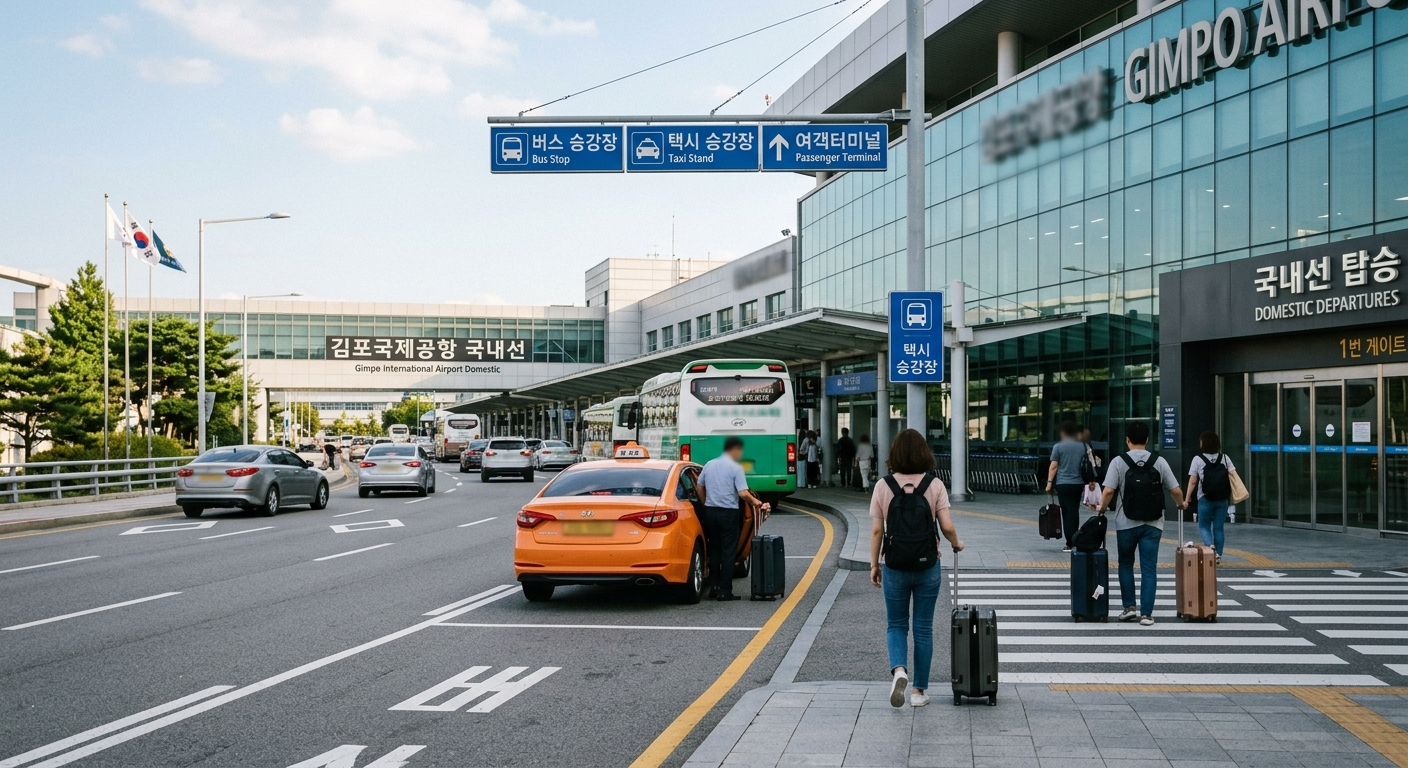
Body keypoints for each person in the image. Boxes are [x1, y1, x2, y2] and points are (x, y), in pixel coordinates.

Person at [869, 428, 964, 709]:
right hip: (927, 566)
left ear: (894, 454)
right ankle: (919, 692)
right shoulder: (934, 485)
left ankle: (899, 671)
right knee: (923, 629)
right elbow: (946, 526)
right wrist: (957, 544)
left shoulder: (883, 486)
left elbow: (877, 531)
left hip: (895, 565)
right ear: (925, 453)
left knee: (896, 625)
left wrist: (875, 564)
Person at [1095, 422, 1185, 626]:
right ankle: (1147, 614)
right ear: (1146, 440)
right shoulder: (1159, 461)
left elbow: (1108, 491)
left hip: (1125, 523)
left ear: (1127, 440)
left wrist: (1101, 508)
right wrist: (1182, 504)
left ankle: (1129, 608)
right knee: (1149, 568)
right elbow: (1176, 491)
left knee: (1125, 564)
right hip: (1153, 524)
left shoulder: (1119, 461)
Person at [696, 436, 771, 601]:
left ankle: (714, 589)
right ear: (735, 449)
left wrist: (705, 503)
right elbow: (743, 493)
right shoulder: (736, 468)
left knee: (714, 550)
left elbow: (699, 486)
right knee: (728, 552)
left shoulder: (709, 465)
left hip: (710, 512)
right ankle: (725, 591)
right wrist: (758, 503)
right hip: (728, 513)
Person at [1184, 430, 1234, 564]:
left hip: (1204, 499)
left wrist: (1187, 498)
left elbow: (1193, 481)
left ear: (1203, 443)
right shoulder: (1225, 458)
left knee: (1204, 526)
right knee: (1218, 528)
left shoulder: (1198, 459)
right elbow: (1233, 476)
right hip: (1222, 499)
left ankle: (1209, 547)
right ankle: (1218, 554)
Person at [1045, 421, 1090, 553]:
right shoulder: (1083, 445)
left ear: (1063, 433)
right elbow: (1089, 464)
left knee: (1066, 513)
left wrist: (1049, 483)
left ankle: (1070, 543)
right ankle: (1075, 539)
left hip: (1063, 484)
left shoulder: (1058, 447)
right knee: (1074, 512)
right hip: (1078, 484)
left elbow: (1053, 466)